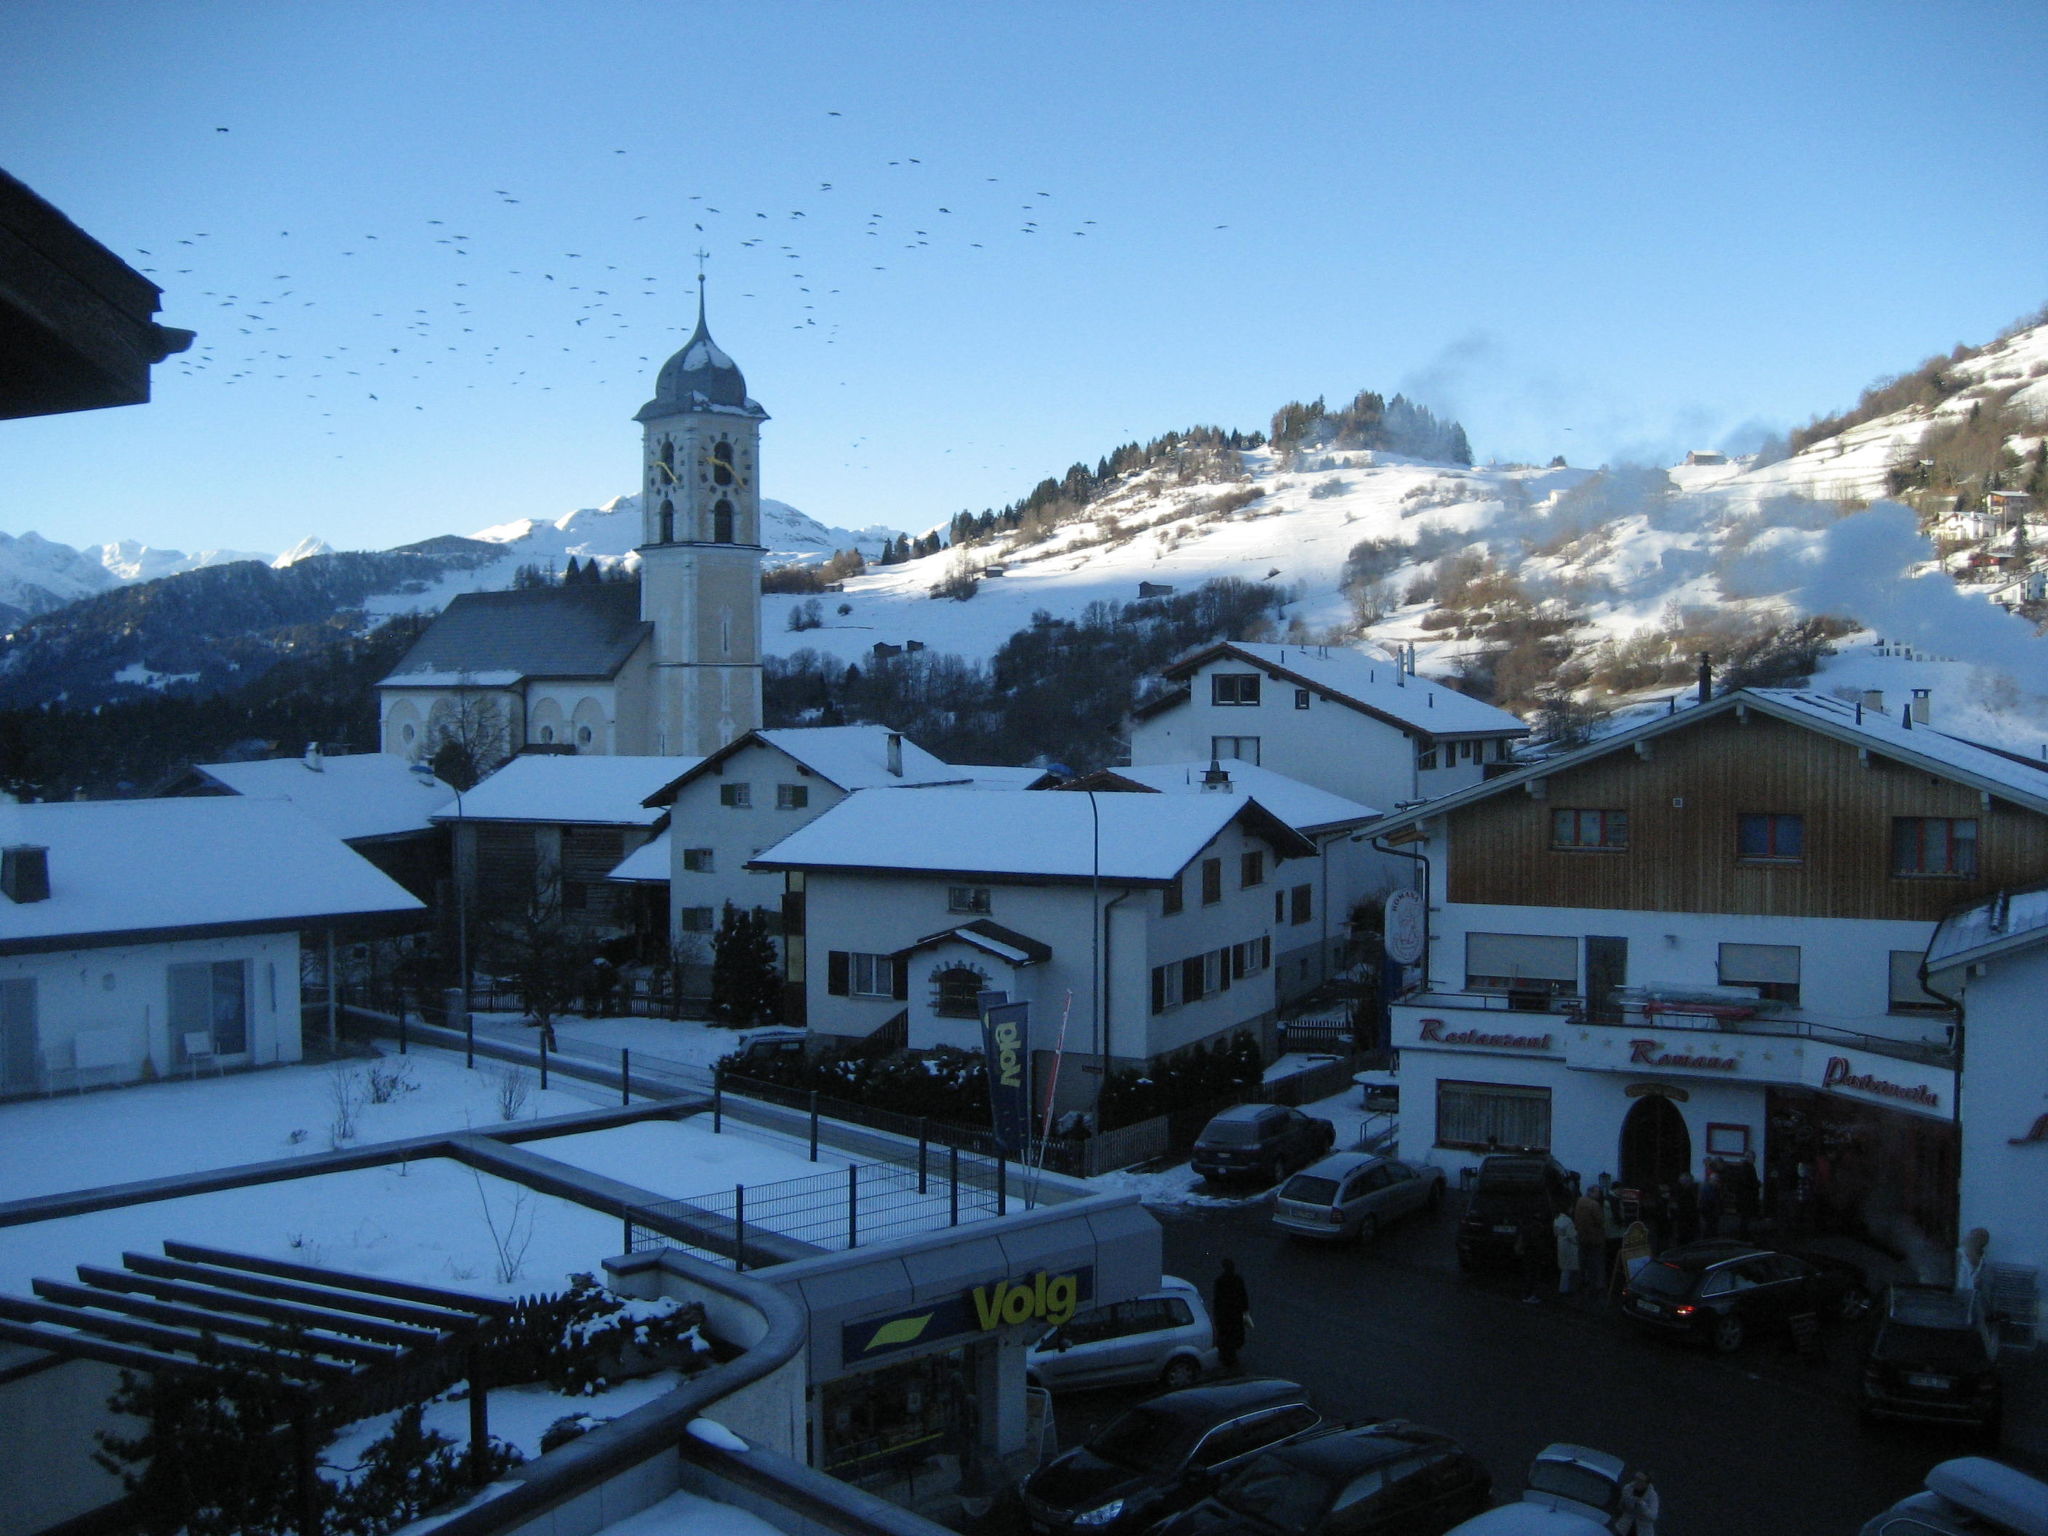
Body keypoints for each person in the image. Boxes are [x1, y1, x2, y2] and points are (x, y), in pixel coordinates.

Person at [1211, 1257, 1250, 1371]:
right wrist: (1245, 1311)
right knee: (1234, 1334)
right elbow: (1244, 1296)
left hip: (1225, 1314)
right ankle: (1232, 1356)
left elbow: (1217, 1300)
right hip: (1236, 1314)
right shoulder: (1238, 1280)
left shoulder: (1220, 1281)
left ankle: (1226, 1357)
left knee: (1225, 1335)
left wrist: (1216, 1315)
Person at [1573, 1184, 1607, 1300]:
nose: (1599, 1195)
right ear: (1592, 1192)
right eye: (1598, 1192)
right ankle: (1595, 1289)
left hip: (1582, 1237)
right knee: (1595, 1264)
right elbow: (1601, 1221)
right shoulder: (1594, 1204)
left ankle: (1580, 1285)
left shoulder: (1580, 1201)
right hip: (1594, 1238)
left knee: (1582, 1262)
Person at [1613, 1468, 1660, 1536]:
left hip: (1642, 1531)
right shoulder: (1628, 1488)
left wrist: (1643, 1508)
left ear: (1646, 1483)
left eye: (1640, 1481)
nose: (1637, 1482)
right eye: (1636, 1479)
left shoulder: (1652, 1496)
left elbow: (1653, 1516)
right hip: (1624, 1527)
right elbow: (1620, 1504)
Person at [1552, 1205, 1580, 1296]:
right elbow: (1572, 1236)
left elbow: (1555, 1233)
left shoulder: (1557, 1219)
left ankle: (1563, 1289)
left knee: (1564, 1268)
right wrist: (1578, 1242)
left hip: (1561, 1244)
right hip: (1569, 1247)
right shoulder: (1568, 1221)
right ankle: (1567, 1289)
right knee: (1569, 1269)